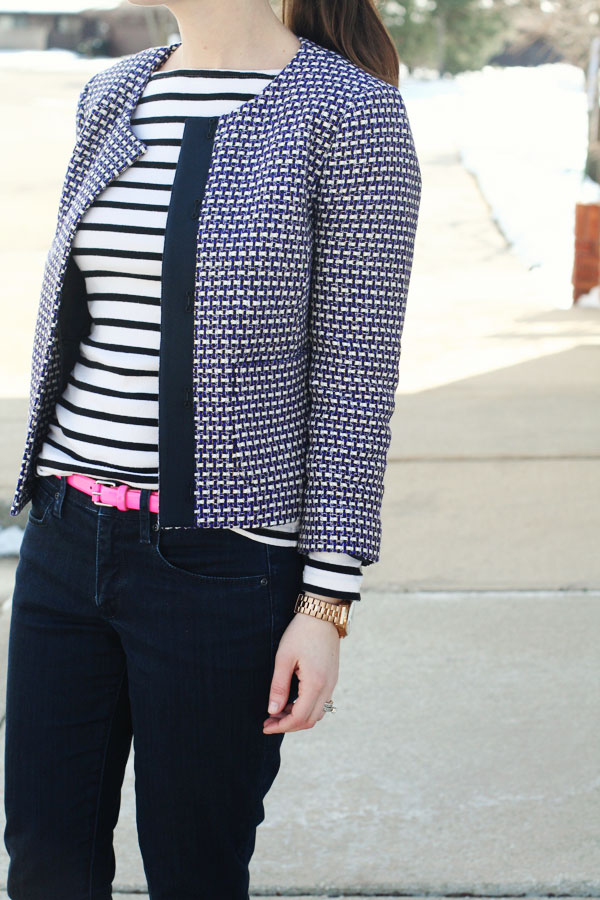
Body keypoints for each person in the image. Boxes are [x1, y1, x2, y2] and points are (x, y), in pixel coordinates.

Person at [3, 0, 422, 897]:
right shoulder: (113, 93)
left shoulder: (351, 112)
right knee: (43, 860)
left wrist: (326, 603)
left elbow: (354, 379)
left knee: (194, 869)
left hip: (222, 568)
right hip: (65, 542)